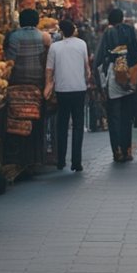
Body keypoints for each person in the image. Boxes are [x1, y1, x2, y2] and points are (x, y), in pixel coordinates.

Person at [93, 8, 137, 162]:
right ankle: (128, 151)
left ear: (110, 20)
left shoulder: (108, 34)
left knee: (114, 117)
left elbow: (99, 59)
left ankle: (117, 151)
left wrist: (98, 82)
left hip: (113, 78)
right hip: (128, 77)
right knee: (127, 117)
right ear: (122, 18)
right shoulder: (130, 30)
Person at [47, 19, 91, 172]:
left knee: (62, 125)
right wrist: (87, 79)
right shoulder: (82, 44)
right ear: (73, 30)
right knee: (78, 125)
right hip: (79, 88)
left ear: (61, 32)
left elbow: (49, 70)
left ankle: (60, 161)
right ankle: (76, 162)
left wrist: (48, 86)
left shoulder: (54, 47)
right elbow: (87, 68)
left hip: (62, 89)